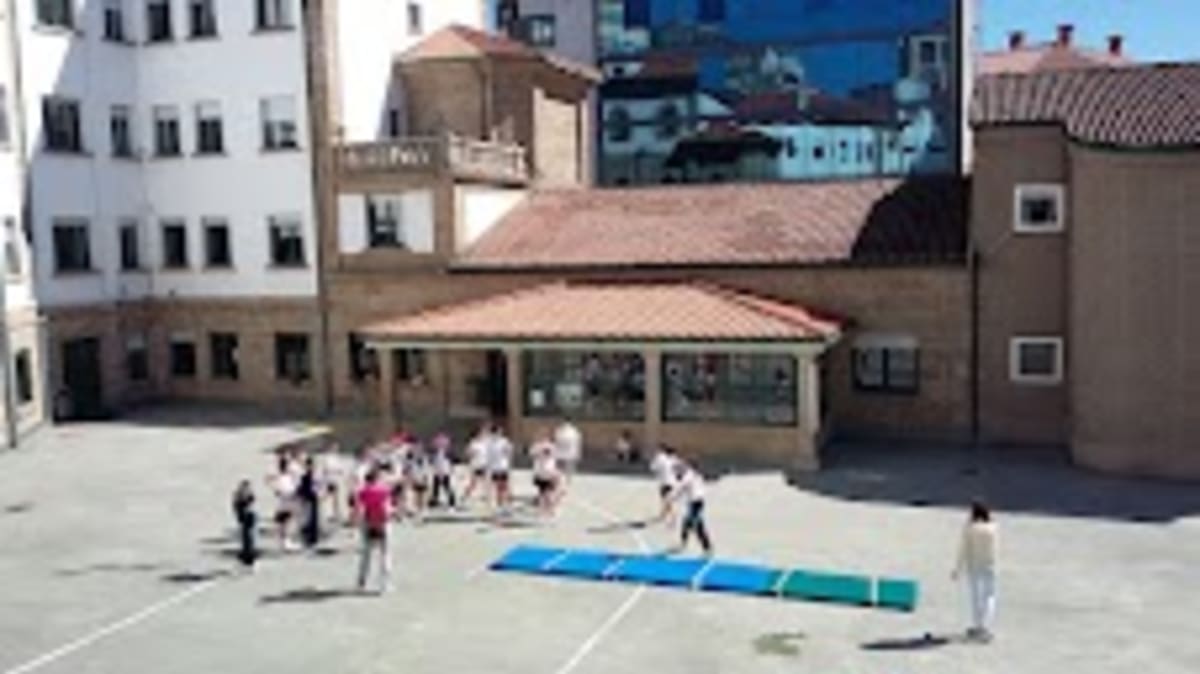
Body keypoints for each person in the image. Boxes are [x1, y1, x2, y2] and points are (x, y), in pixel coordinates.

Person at [953, 501, 998, 643]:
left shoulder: (970, 529)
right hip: (990, 565)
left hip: (974, 566)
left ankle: (978, 626)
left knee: (976, 597)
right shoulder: (993, 528)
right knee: (989, 596)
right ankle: (987, 626)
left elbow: (963, 550)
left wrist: (957, 569)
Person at [355, 468, 394, 594]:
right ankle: (384, 584)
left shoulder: (362, 492)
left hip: (368, 523)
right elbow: (387, 508)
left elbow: (359, 509)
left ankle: (362, 582)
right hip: (383, 523)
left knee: (366, 554)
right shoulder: (384, 491)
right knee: (385, 554)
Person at [670, 459, 712, 556]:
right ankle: (683, 544)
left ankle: (707, 548)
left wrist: (671, 498)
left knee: (696, 526)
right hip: (697, 502)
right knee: (687, 523)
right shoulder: (695, 475)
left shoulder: (688, 476)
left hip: (695, 503)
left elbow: (679, 489)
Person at [267, 456, 298, 552]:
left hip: (283, 503)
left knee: (284, 523)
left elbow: (276, 490)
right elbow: (286, 490)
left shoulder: (281, 477)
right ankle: (285, 543)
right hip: (286, 503)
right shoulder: (284, 478)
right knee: (285, 523)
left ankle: (284, 542)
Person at [529, 430, 560, 516]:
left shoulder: (536, 446)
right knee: (549, 492)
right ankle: (551, 510)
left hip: (540, 472)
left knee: (542, 492)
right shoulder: (552, 446)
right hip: (549, 471)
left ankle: (542, 510)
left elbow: (532, 454)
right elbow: (555, 457)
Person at [460, 424, 492, 507]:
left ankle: (488, 499)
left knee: (486, 483)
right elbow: (467, 453)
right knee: (473, 484)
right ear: (478, 434)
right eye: (482, 433)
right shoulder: (473, 443)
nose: (484, 434)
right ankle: (464, 496)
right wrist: (472, 454)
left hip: (484, 464)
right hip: (476, 465)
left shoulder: (486, 442)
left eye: (484, 433)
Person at [486, 424, 514, 512]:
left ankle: (504, 504)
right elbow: (489, 455)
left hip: (502, 466)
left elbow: (509, 452)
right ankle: (501, 505)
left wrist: (509, 464)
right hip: (496, 467)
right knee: (500, 487)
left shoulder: (503, 441)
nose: (500, 433)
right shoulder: (490, 442)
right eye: (498, 431)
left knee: (504, 487)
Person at [649, 444, 680, 524]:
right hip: (673, 482)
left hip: (665, 483)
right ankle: (663, 515)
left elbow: (653, 468)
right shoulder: (673, 459)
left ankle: (673, 516)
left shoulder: (660, 458)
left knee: (666, 500)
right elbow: (679, 467)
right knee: (666, 500)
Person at [231, 480, 257, 572]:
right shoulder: (244, 497)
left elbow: (237, 508)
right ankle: (248, 562)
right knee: (247, 539)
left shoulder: (242, 497)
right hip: (246, 519)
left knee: (247, 540)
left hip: (247, 519)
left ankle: (248, 562)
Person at [297, 456, 321, 549]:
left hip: (313, 498)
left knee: (314, 518)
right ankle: (307, 538)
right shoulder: (304, 476)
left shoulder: (315, 476)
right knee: (307, 518)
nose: (310, 467)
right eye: (308, 465)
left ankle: (313, 538)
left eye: (311, 465)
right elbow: (301, 488)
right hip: (307, 498)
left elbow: (319, 486)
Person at [429, 432, 456, 509]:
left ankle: (451, 501)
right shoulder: (435, 453)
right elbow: (434, 462)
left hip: (444, 471)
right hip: (438, 471)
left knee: (446, 486)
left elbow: (448, 463)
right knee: (436, 487)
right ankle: (434, 500)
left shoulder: (446, 453)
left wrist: (448, 470)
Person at [407, 441, 431, 522]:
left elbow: (427, 470)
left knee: (423, 498)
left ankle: (423, 513)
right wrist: (411, 480)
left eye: (419, 449)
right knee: (416, 498)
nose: (417, 451)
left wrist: (426, 479)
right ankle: (418, 514)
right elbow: (409, 471)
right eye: (415, 449)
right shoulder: (411, 460)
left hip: (423, 480)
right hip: (415, 480)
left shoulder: (425, 459)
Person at [553, 417, 583, 484]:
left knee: (560, 468)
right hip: (569, 453)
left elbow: (556, 441)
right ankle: (567, 479)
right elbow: (577, 443)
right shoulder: (575, 431)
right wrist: (578, 454)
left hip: (562, 452)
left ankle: (561, 480)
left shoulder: (560, 430)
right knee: (568, 468)